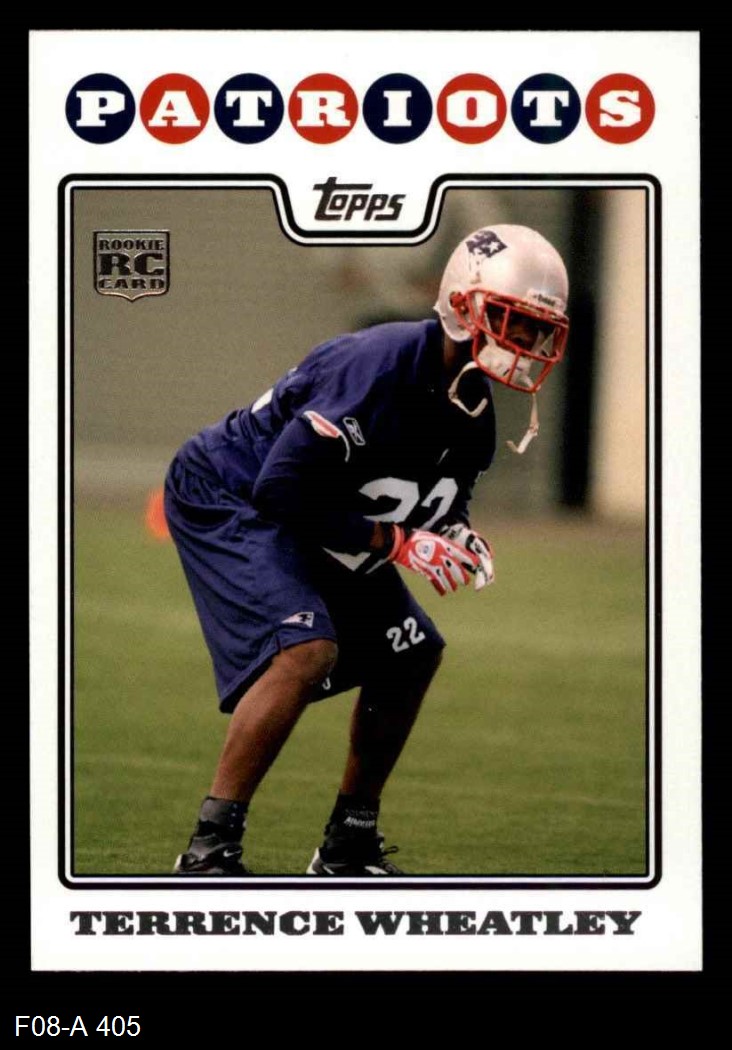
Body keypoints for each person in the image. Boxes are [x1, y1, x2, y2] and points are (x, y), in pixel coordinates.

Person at [164, 224, 570, 877]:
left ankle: (347, 844)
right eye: (512, 321)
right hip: (230, 492)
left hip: (313, 501)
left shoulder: (472, 405)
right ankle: (210, 848)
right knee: (306, 649)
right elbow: (281, 490)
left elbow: (444, 492)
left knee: (413, 653)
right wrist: (398, 541)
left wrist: (455, 531)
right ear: (462, 305)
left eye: (536, 329)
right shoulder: (376, 368)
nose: (525, 343)